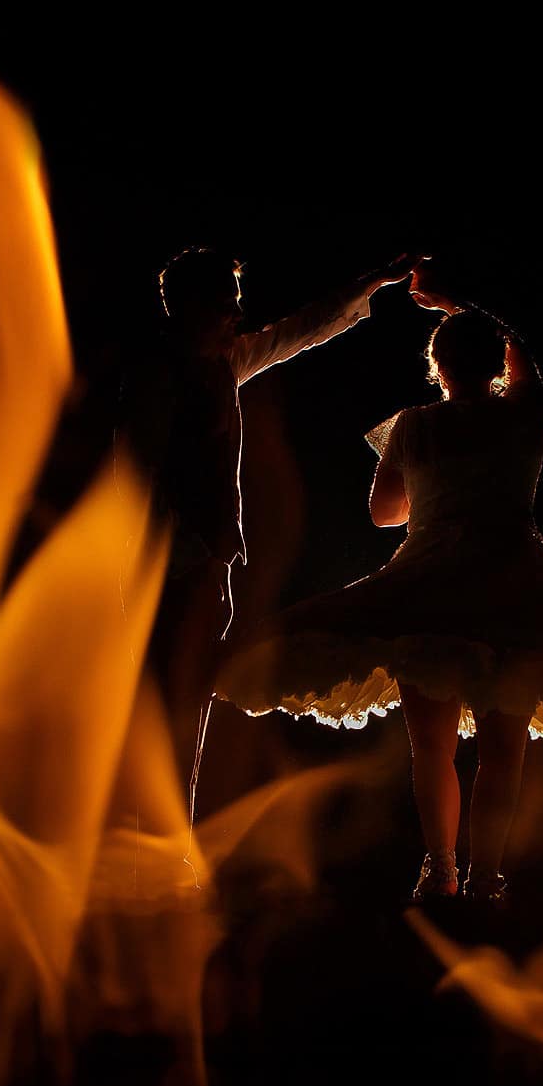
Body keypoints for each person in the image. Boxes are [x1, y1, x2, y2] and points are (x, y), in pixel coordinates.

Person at [214, 272, 543, 904]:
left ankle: (441, 865)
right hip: (519, 586)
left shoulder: (414, 427)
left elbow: (382, 512)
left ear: (436, 366)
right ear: (493, 359)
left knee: (432, 747)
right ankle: (487, 875)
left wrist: (430, 495)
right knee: (506, 747)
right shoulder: (527, 415)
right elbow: (530, 357)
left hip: (432, 582)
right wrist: (463, 305)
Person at [117, 247, 418, 813]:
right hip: (162, 564)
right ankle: (145, 836)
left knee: (191, 701)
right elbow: (133, 475)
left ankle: (167, 838)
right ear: (190, 308)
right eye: (226, 305)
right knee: (160, 703)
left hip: (207, 562)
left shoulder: (225, 365)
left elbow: (299, 331)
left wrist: (370, 282)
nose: (236, 315)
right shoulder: (154, 378)